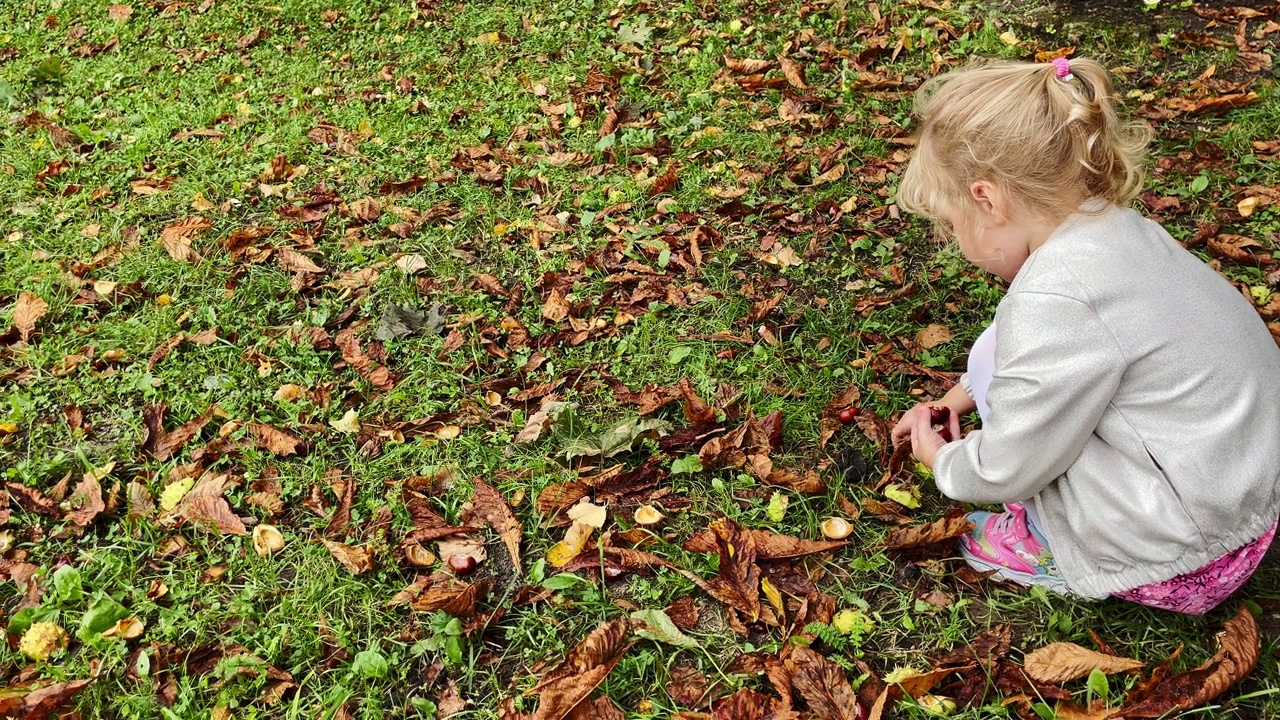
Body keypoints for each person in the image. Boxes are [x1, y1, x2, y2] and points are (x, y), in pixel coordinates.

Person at [889, 56, 1280, 614]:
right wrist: (959, 397)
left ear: (987, 200)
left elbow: (1011, 463)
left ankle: (1046, 545)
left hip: (1187, 552)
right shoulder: (1112, 230)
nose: (956, 242)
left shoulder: (1055, 301)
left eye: (952, 225)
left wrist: (944, 462)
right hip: (1246, 490)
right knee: (1020, 365)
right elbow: (1032, 347)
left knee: (1036, 449)